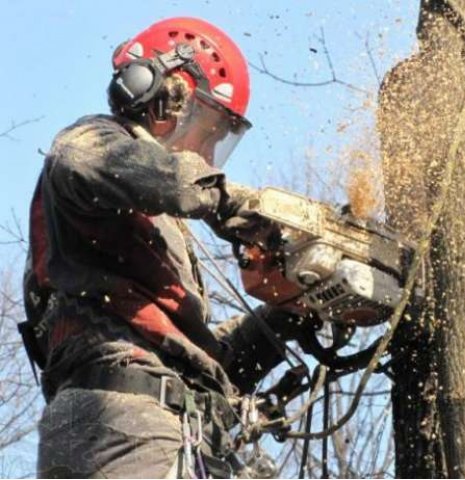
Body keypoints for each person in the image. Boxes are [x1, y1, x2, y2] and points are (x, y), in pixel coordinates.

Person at [20, 17, 305, 478]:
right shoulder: (93, 145)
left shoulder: (155, 228)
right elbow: (85, 161)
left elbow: (199, 359)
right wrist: (241, 208)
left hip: (168, 424)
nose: (206, 154)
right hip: (117, 420)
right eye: (208, 130)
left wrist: (288, 313)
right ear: (165, 93)